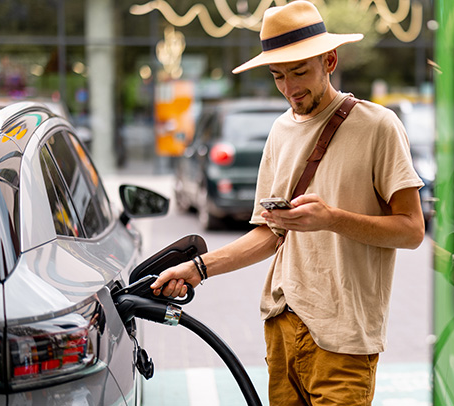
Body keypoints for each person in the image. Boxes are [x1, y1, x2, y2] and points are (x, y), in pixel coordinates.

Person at [151, 1, 426, 404]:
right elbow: (269, 235)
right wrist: (197, 269)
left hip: (344, 338)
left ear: (329, 61)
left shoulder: (378, 127)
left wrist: (331, 218)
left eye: (300, 72)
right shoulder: (280, 131)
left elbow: (412, 230)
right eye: (278, 76)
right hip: (282, 325)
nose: (290, 88)